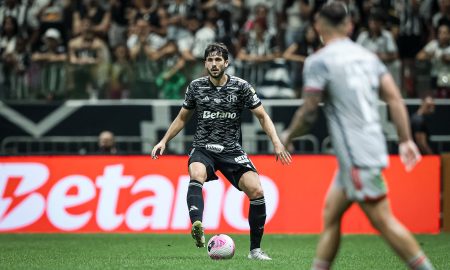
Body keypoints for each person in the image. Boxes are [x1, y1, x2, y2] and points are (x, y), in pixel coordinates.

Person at [281, 3, 434, 270]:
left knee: (383, 221)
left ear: (318, 27)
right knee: (331, 215)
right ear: (350, 26)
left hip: (356, 155)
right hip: (362, 150)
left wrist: (287, 135)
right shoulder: (368, 57)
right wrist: (405, 139)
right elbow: (394, 98)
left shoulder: (318, 61)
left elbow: (308, 113)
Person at [151, 42, 291, 260]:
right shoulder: (196, 87)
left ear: (226, 63)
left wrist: (277, 142)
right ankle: (197, 224)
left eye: (218, 60)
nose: (214, 64)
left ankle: (255, 250)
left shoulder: (241, 87)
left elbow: (262, 116)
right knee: (196, 173)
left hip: (231, 150)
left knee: (257, 191)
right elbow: (181, 118)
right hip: (203, 147)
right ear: (205, 63)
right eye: (209, 60)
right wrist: (164, 141)